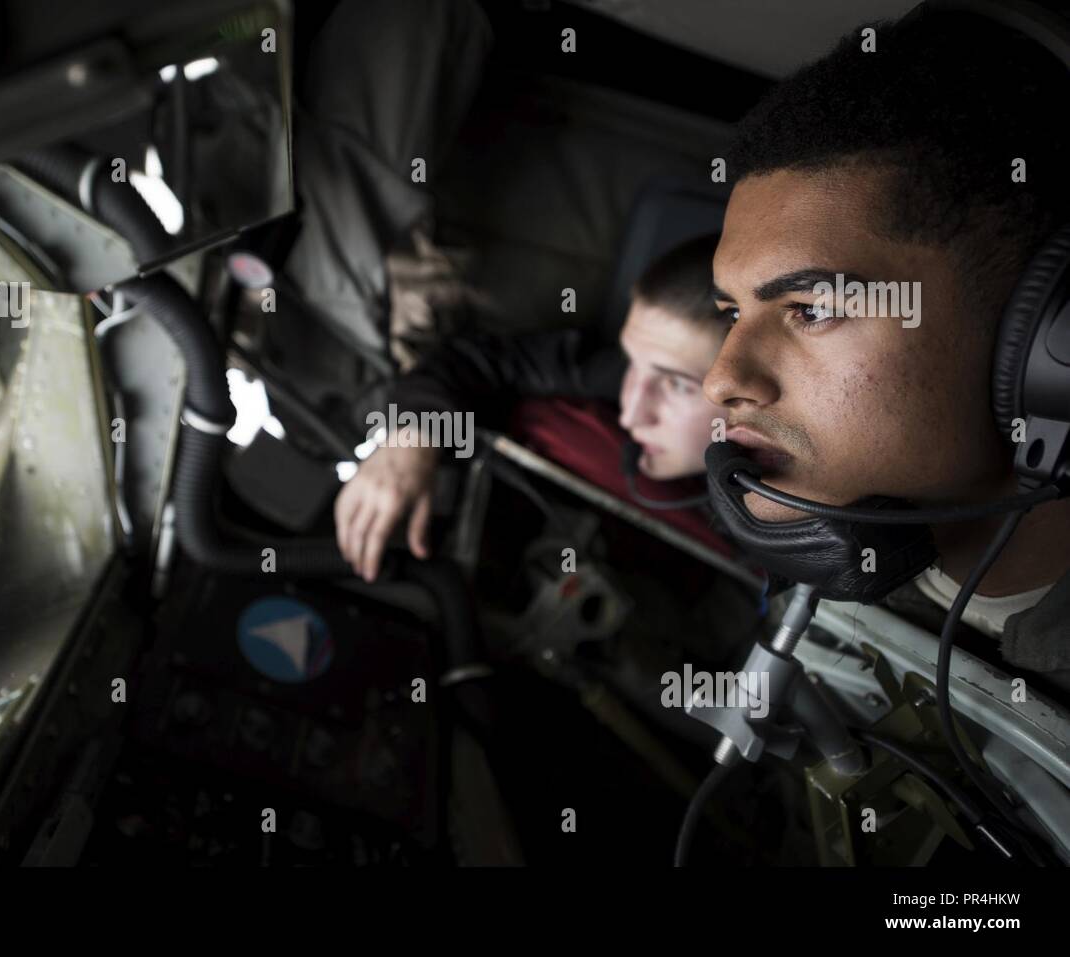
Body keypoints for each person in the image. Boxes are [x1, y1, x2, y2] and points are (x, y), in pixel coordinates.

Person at [704, 9, 1070, 687]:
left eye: (811, 309)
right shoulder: (823, 600)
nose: (720, 379)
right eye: (731, 312)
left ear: (1049, 334)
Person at [334, 233, 730, 582]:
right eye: (633, 365)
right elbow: (474, 364)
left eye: (678, 385)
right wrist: (412, 437)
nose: (631, 414)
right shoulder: (621, 376)